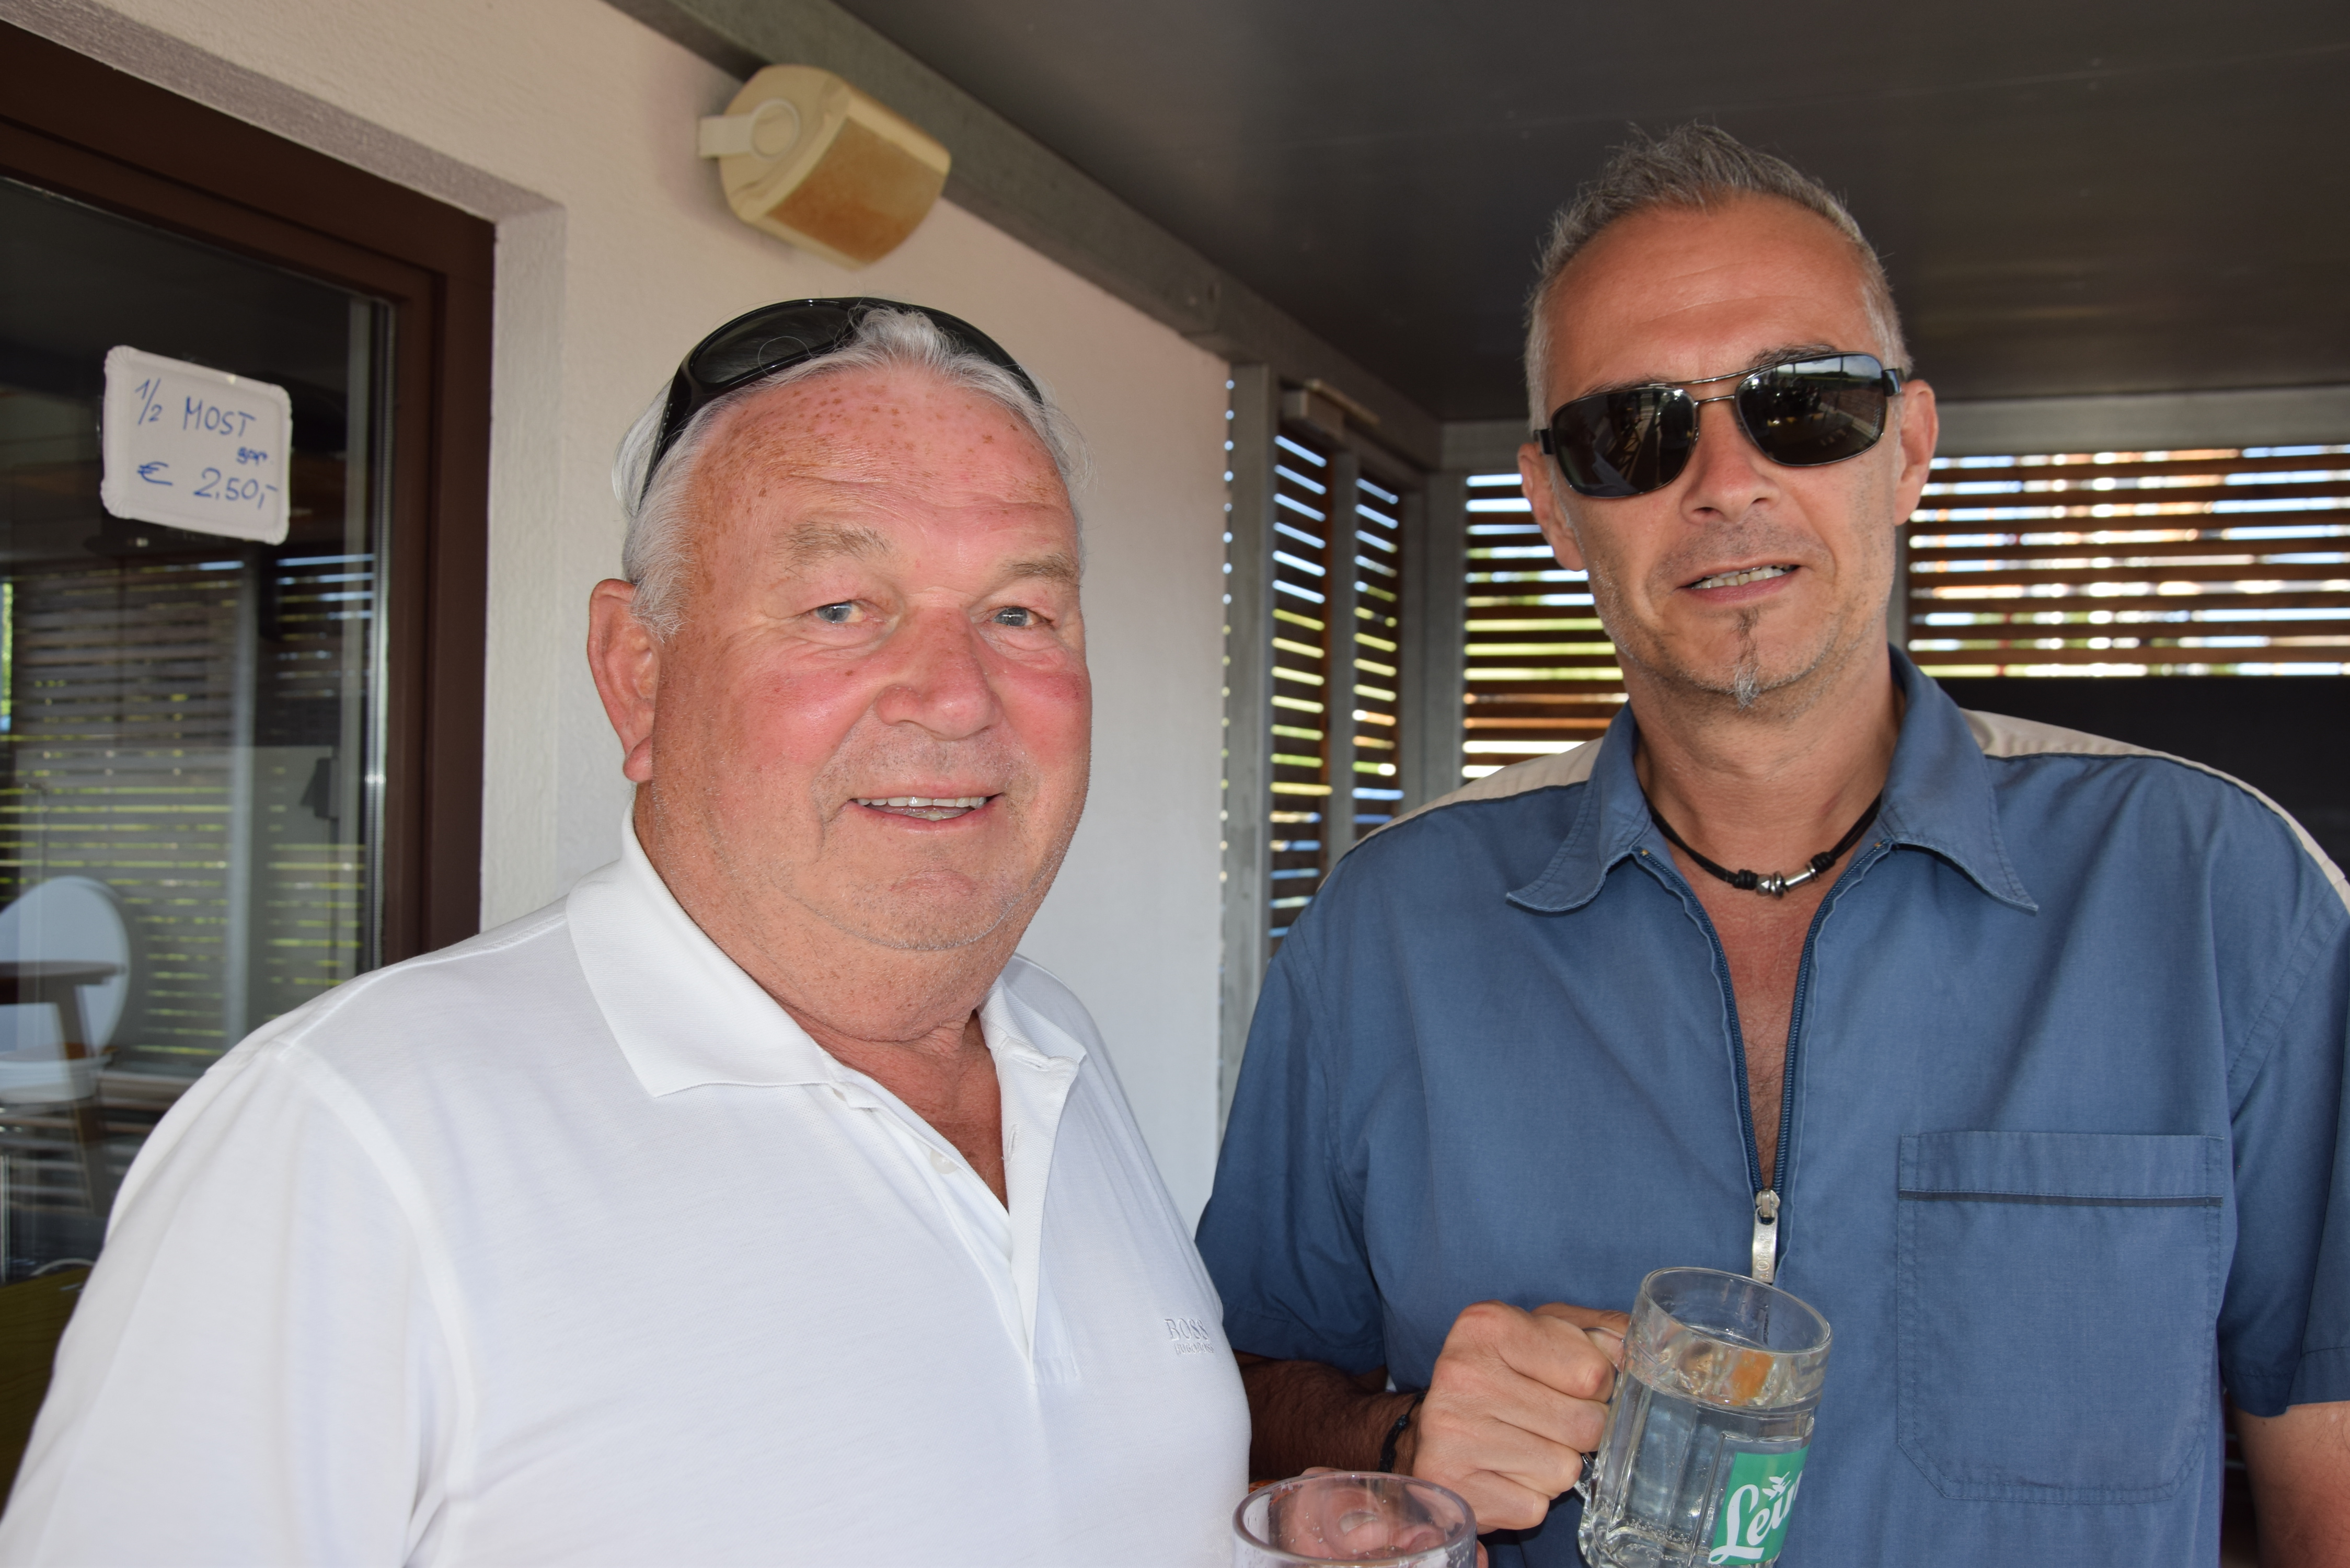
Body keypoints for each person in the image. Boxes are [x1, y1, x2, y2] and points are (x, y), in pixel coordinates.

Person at [1196, 126, 2350, 1566]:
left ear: (1908, 448)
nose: (1726, 482)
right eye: (1634, 433)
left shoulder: (2218, 894)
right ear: (1555, 506)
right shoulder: (1390, 930)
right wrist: (1397, 1438)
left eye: (1803, 405)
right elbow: (1223, 1404)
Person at [0, 299, 1248, 1564]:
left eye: (1020, 614)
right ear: (637, 674)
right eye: (840, 607)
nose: (955, 697)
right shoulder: (346, 1139)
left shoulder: (1053, 1049)